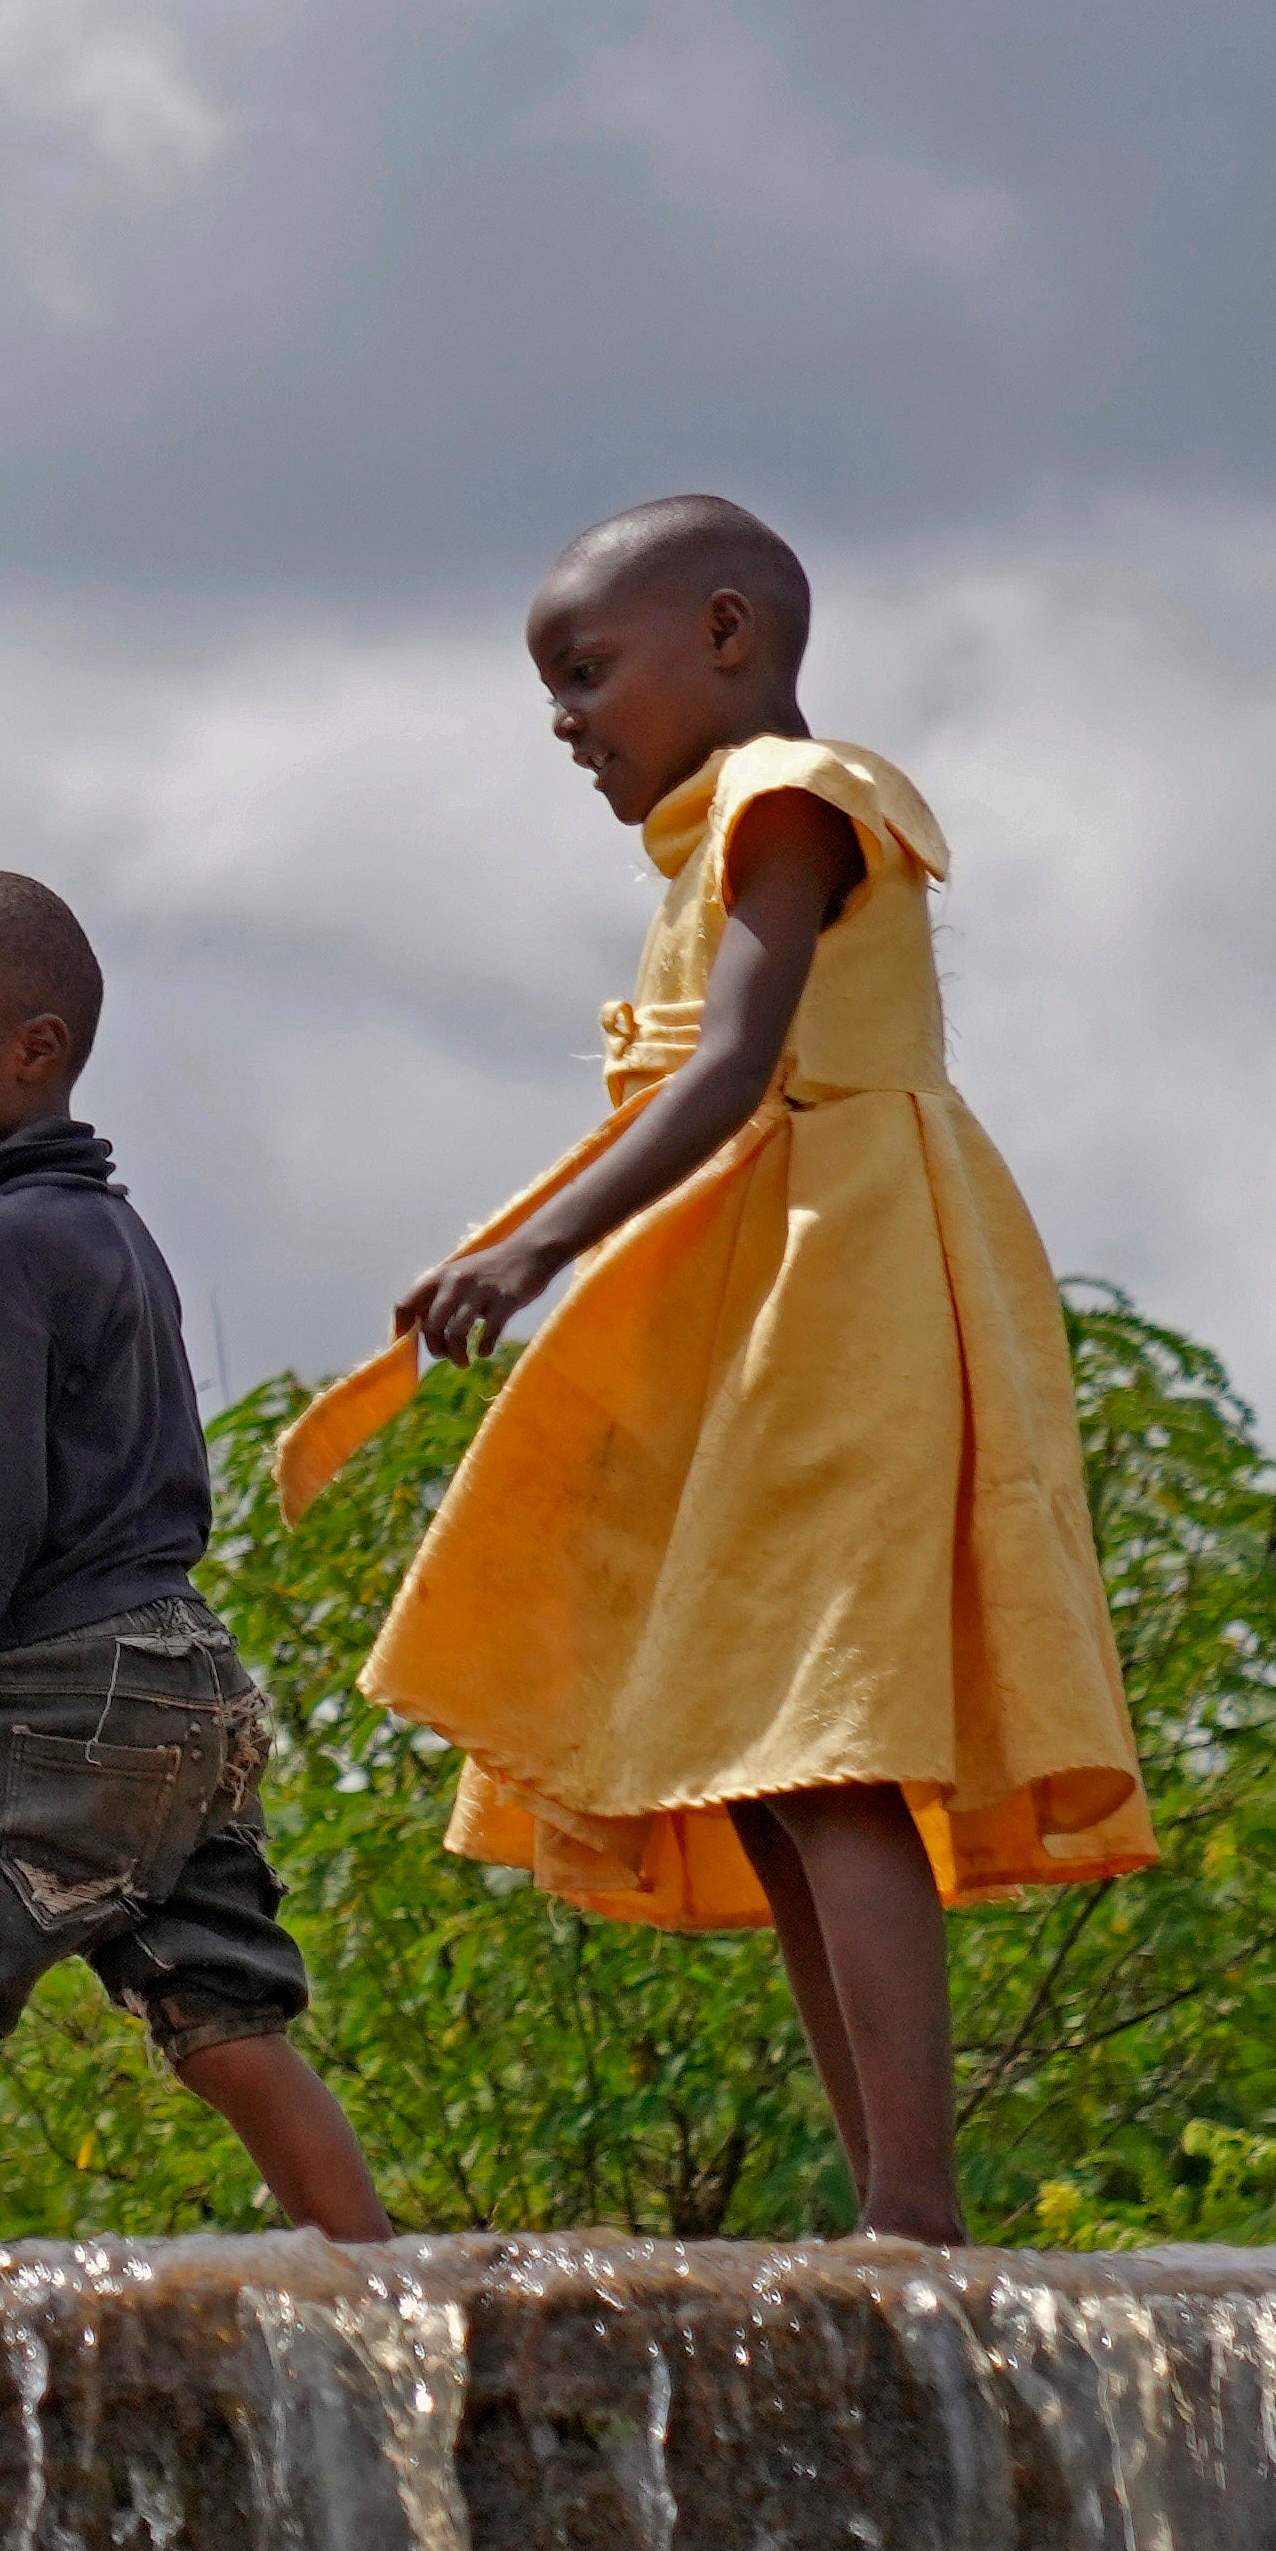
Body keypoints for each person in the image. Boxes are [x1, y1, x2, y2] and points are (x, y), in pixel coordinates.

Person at [297, 495, 1145, 2244]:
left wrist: (532, 1249)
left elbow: (737, 1067)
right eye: (552, 692)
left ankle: (915, 2209)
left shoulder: (796, 804)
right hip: (761, 1308)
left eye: (592, 672)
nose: (569, 723)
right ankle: (885, 2197)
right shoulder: (711, 846)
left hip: (848, 1300)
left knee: (827, 1748)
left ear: (732, 636)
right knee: (760, 1763)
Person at [0, 874, 395, 2240]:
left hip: (75, 1679)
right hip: (190, 1672)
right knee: (217, 2002)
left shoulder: (7, 1248)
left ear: (36, 1051)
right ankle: (391, 2287)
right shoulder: (115, 1233)